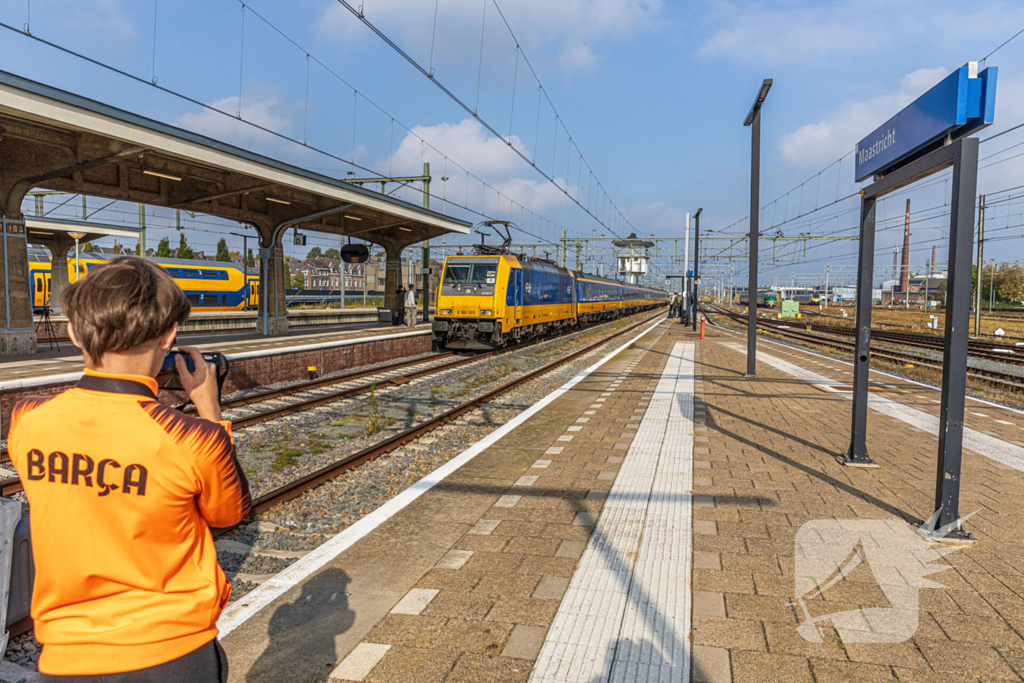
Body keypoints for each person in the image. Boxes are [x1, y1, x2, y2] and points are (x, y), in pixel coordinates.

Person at [8, 257, 251, 682]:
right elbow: (229, 514)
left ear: (73, 332)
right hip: (171, 653)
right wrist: (210, 411)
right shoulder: (195, 438)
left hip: (64, 659)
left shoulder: (26, 420)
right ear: (169, 335)